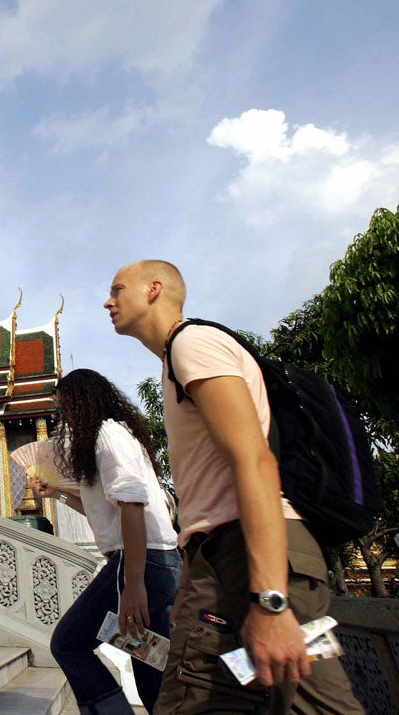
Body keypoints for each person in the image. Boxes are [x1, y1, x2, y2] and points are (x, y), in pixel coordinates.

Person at [104, 260, 362, 714]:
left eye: (118, 289)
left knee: (192, 701)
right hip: (245, 558)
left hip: (250, 557)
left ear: (153, 290)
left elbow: (254, 461)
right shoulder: (177, 359)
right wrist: (192, 577)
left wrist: (270, 601)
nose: (108, 301)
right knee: (316, 702)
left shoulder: (192, 344)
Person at [32, 369, 180, 715]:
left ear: (81, 403)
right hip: (151, 559)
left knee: (68, 643)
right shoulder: (110, 437)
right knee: (150, 663)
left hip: (142, 560)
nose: (62, 415)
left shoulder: (107, 436)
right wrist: (57, 493)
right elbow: (109, 515)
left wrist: (133, 584)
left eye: (64, 405)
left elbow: (132, 505)